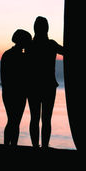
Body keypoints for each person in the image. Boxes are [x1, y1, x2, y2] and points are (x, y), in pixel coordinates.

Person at [28, 16, 64, 149]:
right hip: (49, 85)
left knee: (34, 117)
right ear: (47, 28)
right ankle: (44, 146)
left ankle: (34, 146)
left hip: (33, 85)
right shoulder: (51, 44)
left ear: (35, 28)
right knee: (46, 119)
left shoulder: (30, 45)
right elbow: (67, 52)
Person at [0, 29, 32, 146]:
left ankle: (9, 145)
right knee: (15, 121)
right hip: (18, 93)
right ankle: (12, 145)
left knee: (12, 120)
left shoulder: (7, 54)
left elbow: (4, 77)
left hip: (8, 92)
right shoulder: (22, 57)